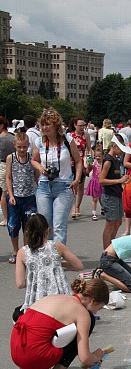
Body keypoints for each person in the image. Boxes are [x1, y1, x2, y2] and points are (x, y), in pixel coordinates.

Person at [10, 278, 109, 369]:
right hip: (35, 357)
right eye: (99, 307)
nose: (96, 312)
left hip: (17, 351)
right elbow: (85, 358)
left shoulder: (56, 297)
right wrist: (96, 357)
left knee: (42, 332)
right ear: (92, 300)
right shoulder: (82, 313)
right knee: (89, 320)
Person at [15, 213, 83, 317]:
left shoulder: (22, 252)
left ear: (27, 233)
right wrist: (61, 264)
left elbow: (20, 283)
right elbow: (79, 266)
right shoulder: (56, 246)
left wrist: (34, 280)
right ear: (48, 230)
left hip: (37, 301)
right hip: (60, 298)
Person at [31, 108, 82, 246]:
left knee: (59, 224)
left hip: (64, 186)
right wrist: (40, 168)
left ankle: (57, 256)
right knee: (45, 224)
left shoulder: (67, 140)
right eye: (43, 124)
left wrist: (77, 180)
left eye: (48, 124)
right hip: (44, 186)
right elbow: (34, 160)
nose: (45, 127)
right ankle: (46, 254)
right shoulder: (39, 142)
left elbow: (78, 161)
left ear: (55, 125)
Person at [5, 132, 38, 263]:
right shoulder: (11, 158)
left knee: (28, 226)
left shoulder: (32, 158)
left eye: (24, 147)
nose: (22, 149)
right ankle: (15, 250)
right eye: (19, 147)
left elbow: (36, 176)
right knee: (13, 225)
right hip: (15, 198)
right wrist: (11, 195)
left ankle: (25, 250)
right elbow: (8, 177)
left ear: (28, 145)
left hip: (29, 197)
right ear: (14, 145)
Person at [100, 134, 131, 249]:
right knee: (110, 223)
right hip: (110, 195)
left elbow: (114, 177)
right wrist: (119, 180)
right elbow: (101, 180)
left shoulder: (116, 160)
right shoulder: (108, 161)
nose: (122, 153)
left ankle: (111, 247)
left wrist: (122, 179)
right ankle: (107, 251)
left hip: (116, 193)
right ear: (114, 145)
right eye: (121, 149)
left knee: (118, 222)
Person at [70, 118, 93, 218]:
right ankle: (73, 207)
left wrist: (89, 163)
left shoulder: (86, 135)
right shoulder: (70, 136)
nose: (82, 127)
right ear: (75, 125)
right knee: (72, 185)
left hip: (82, 162)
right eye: (80, 125)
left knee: (80, 185)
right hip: (71, 162)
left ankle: (77, 206)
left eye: (83, 125)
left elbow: (89, 149)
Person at [0, 115, 15, 226]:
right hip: (14, 164)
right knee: (12, 191)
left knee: (3, 193)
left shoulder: (1, 138)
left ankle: (6, 218)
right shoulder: (12, 136)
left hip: (3, 165)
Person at [85, 146, 104, 221]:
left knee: (102, 198)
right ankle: (94, 213)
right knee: (95, 198)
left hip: (102, 183)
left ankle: (103, 208)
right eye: (96, 156)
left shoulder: (104, 164)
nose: (98, 157)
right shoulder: (94, 163)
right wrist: (88, 162)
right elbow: (88, 168)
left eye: (99, 156)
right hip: (95, 182)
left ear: (103, 156)